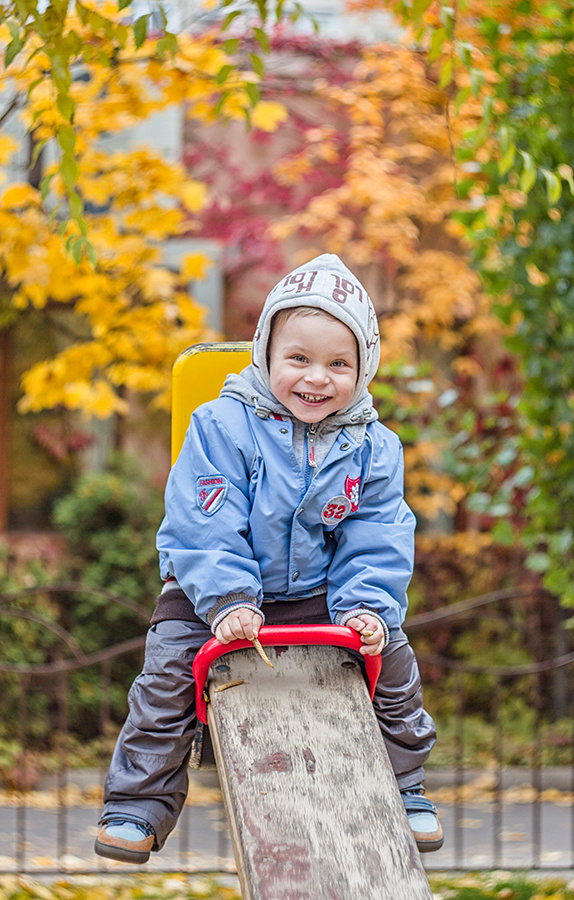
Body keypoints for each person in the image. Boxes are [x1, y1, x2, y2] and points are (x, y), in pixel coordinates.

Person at [95, 253, 443, 865]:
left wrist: (367, 609)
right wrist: (229, 599)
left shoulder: (373, 447)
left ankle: (403, 786)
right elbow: (205, 521)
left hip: (316, 591)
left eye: (340, 363)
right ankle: (138, 805)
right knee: (171, 669)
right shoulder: (222, 426)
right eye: (299, 359)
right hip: (214, 589)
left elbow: (379, 535)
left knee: (390, 662)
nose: (317, 378)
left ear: (364, 369)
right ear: (266, 354)